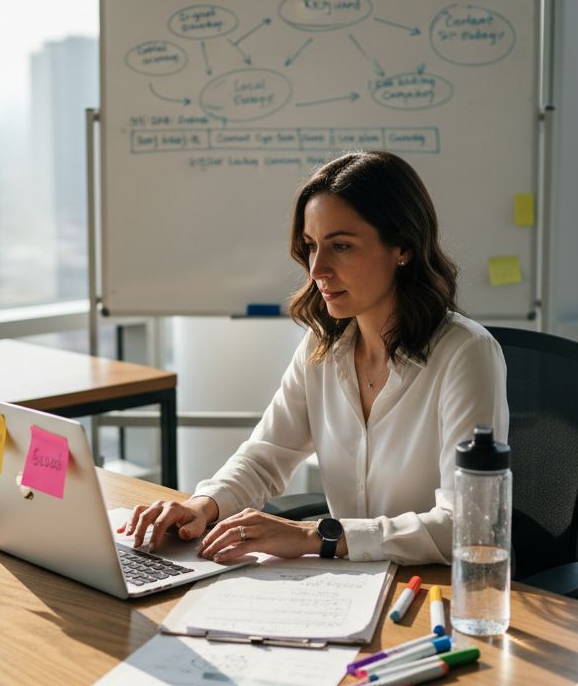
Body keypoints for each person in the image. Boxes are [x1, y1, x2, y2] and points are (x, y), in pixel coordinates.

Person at [120, 151, 508, 565]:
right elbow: (266, 454)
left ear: (403, 248)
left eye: (341, 246)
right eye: (310, 246)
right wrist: (204, 505)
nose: (317, 268)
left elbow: (467, 526)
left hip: (433, 589)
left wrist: (312, 535)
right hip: (347, 585)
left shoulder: (465, 354)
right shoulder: (324, 347)